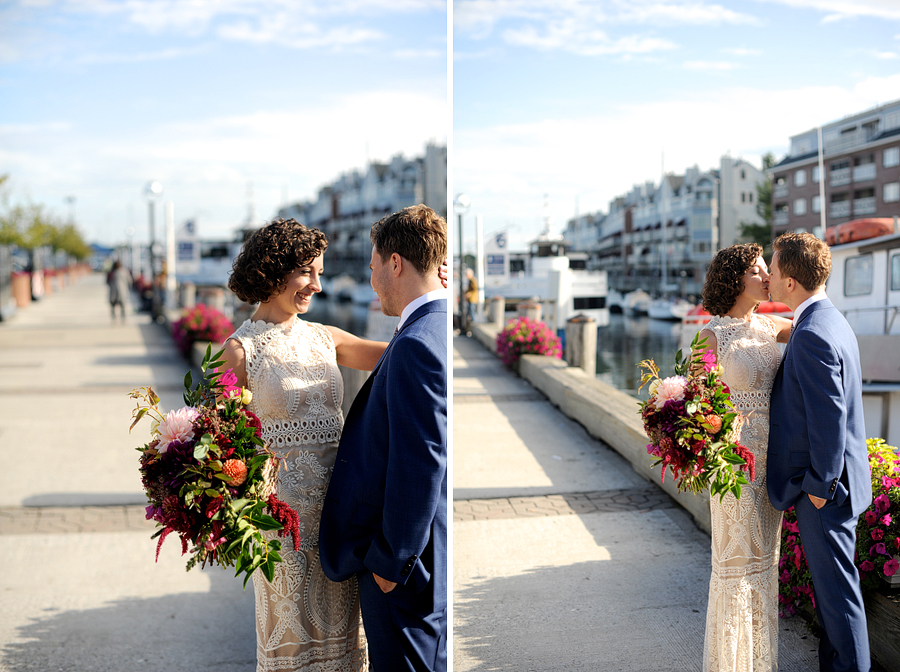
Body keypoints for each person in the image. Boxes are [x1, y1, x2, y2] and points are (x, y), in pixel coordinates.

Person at [221, 218, 388, 672]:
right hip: (280, 526)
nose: (317, 284)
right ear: (273, 271)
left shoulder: (325, 338)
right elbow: (218, 445)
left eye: (319, 272)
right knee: (292, 645)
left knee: (346, 643)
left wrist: (432, 298)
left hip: (340, 515)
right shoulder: (238, 352)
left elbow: (405, 353)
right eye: (306, 273)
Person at [319, 204, 447, 672]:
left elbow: (422, 461)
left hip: (405, 569)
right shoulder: (432, 327)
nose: (372, 281)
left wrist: (390, 566)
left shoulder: (416, 342)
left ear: (396, 263)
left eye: (373, 267)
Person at [766, 232, 872, 672]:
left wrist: (818, 490)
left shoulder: (811, 334)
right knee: (832, 601)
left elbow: (828, 422)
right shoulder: (830, 320)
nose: (769, 277)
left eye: (772, 270)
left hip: (828, 492)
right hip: (840, 485)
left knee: (840, 601)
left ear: (790, 281)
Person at [695, 243, 791, 672]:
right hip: (732, 466)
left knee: (764, 564)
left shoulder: (774, 327)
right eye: (757, 270)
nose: (765, 276)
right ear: (735, 280)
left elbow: (819, 319)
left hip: (772, 462)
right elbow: (693, 406)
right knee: (735, 565)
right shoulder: (712, 335)